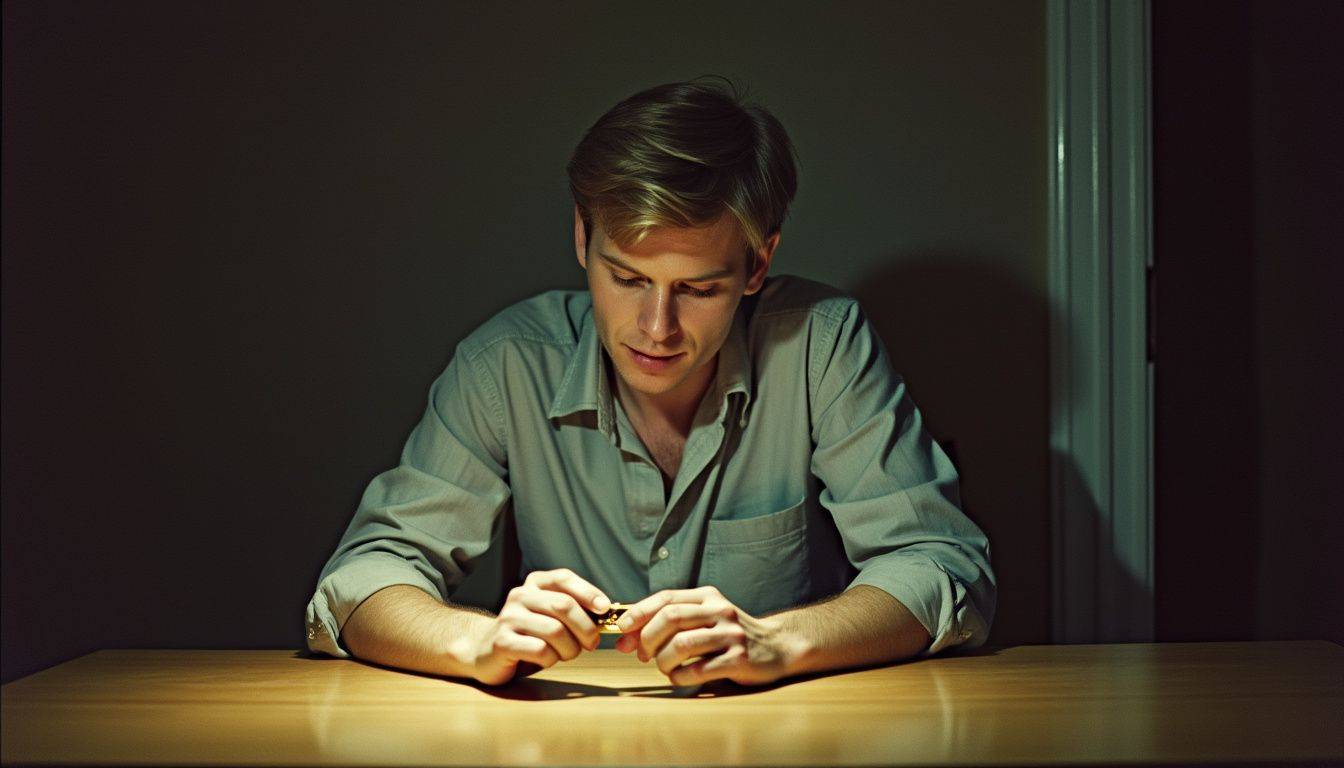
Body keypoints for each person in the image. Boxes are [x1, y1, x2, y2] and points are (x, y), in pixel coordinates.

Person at [303, 76, 995, 688]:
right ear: (582, 238)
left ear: (757, 265)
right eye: (627, 278)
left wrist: (777, 643)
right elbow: (360, 578)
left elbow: (943, 566)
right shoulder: (507, 364)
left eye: (697, 288)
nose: (656, 327)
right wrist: (473, 639)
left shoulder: (822, 344)